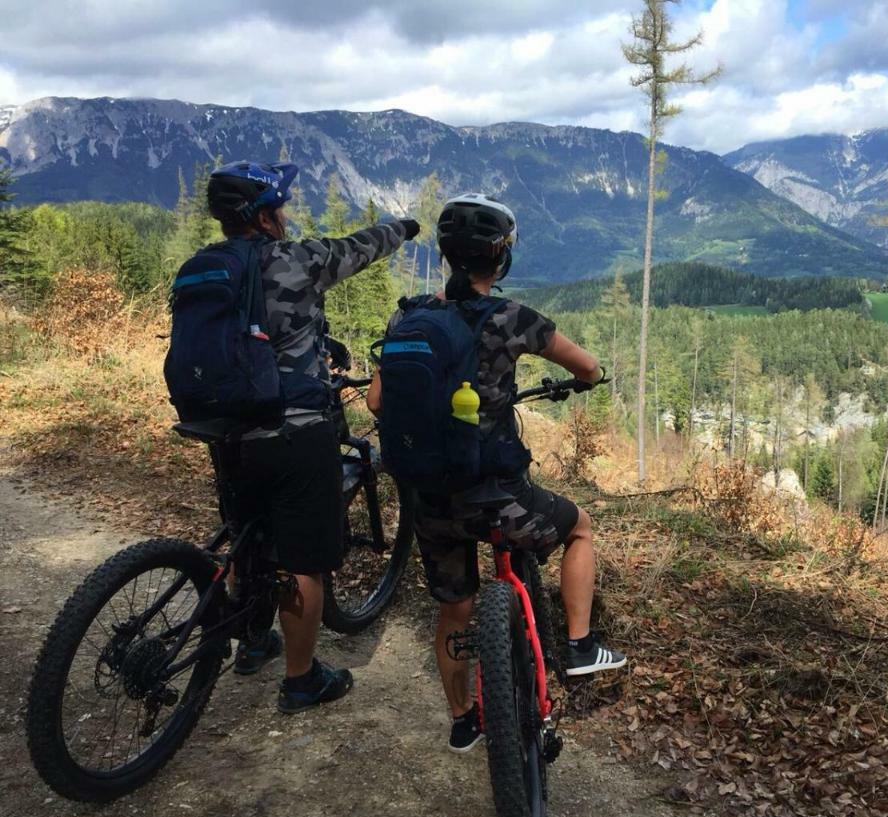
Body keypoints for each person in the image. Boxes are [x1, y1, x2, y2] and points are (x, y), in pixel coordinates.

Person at [366, 193, 626, 752]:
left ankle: (464, 719)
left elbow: (375, 402)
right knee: (579, 526)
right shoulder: (511, 318)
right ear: (499, 259)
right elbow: (586, 366)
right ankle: (580, 646)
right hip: (497, 493)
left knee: (455, 606)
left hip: (430, 497)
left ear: (447, 254)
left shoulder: (407, 316)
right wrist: (588, 378)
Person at [204, 161, 419, 713]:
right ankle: (301, 679)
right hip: (295, 429)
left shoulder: (201, 267)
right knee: (303, 559)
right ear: (267, 215)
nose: (287, 214)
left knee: (247, 533)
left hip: (222, 427)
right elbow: (361, 245)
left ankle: (253, 642)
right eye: (281, 206)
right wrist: (406, 226)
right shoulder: (297, 259)